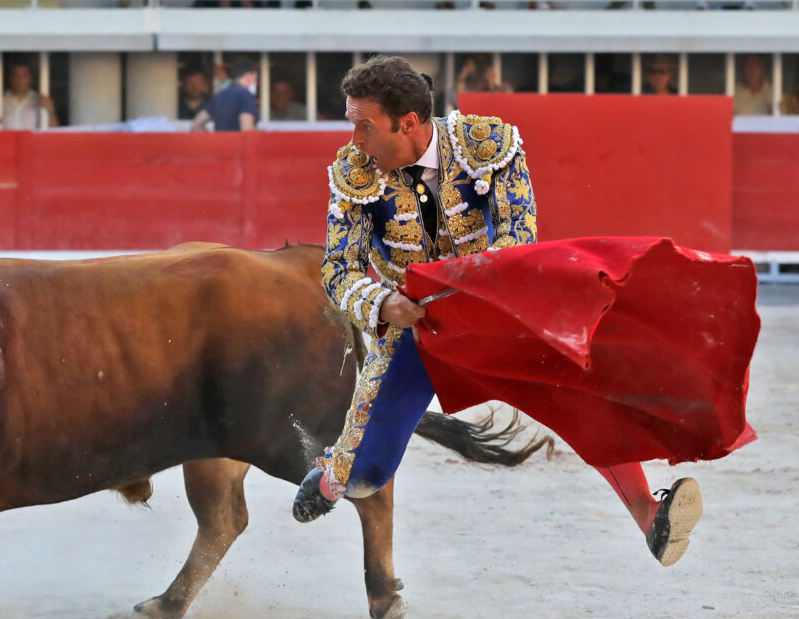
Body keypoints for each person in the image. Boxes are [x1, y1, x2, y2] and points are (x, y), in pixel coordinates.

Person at [291, 55, 703, 568]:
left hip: (496, 315)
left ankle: (650, 519)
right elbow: (338, 272)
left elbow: (516, 241)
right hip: (415, 330)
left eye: (364, 126)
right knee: (366, 474)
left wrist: (475, 298)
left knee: (584, 394)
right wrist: (382, 302)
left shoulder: (487, 146)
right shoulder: (353, 173)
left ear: (410, 123)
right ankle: (333, 474)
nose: (355, 141)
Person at [190, 58, 258, 132]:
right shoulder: (246, 95)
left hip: (219, 142)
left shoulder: (219, 95)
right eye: (255, 76)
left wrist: (211, 140)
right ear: (250, 75)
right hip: (237, 143)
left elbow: (196, 125)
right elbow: (247, 129)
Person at [0, 62, 57, 131]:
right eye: (15, 75)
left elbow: (54, 131)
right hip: (5, 142)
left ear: (31, 78)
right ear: (8, 77)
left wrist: (50, 111)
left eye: (24, 75)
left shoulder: (40, 99)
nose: (19, 79)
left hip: (33, 142)